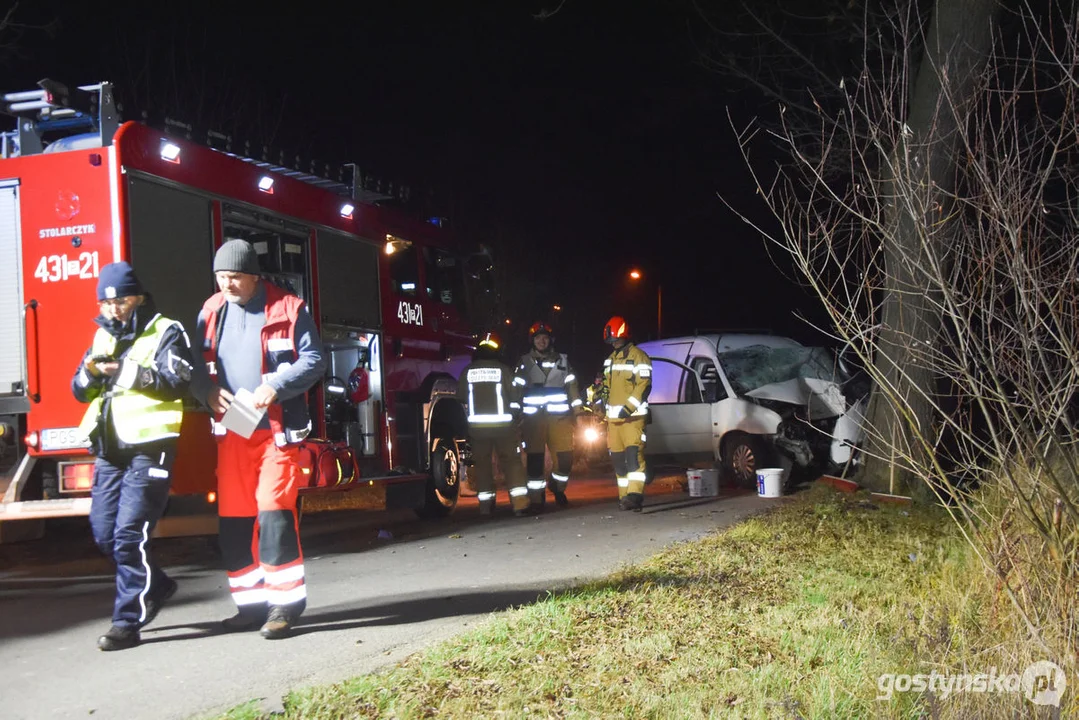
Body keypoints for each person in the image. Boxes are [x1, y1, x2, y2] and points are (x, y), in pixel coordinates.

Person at [190, 239, 327, 639]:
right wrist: (206, 392)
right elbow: (195, 367)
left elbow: (313, 359)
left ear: (254, 276)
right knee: (234, 520)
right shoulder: (211, 311)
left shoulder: (289, 307)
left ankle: (285, 604)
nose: (227, 285)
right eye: (220, 277)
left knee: (273, 512)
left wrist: (277, 386)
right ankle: (250, 606)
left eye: (234, 277)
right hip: (234, 426)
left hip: (277, 431)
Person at [72, 262, 196, 651]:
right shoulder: (101, 336)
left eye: (121, 300)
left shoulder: (166, 330)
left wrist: (124, 371)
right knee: (104, 533)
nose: (114, 309)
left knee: (129, 535)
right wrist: (91, 374)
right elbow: (78, 389)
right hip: (110, 449)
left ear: (138, 297)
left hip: (150, 447)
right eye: (106, 302)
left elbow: (176, 382)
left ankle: (127, 621)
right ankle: (156, 584)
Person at [457, 330, 531, 516]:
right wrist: (516, 415)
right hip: (504, 428)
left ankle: (485, 507)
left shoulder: (467, 371)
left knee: (482, 465)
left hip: (477, 430)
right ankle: (520, 504)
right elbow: (515, 397)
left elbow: (461, 397)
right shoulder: (503, 370)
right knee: (512, 462)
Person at [513, 321, 582, 508]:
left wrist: (578, 413)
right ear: (532, 341)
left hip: (560, 419)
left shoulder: (563, 361)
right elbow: (516, 391)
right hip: (532, 421)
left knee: (566, 459)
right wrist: (514, 415)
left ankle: (557, 487)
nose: (541, 341)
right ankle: (536, 499)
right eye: (538, 338)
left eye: (545, 338)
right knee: (534, 461)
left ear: (551, 340)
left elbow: (573, 389)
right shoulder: (524, 363)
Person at [601, 316, 652, 511]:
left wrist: (628, 408)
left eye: (616, 339)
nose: (614, 343)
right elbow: (606, 387)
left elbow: (644, 385)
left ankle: (635, 496)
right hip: (613, 421)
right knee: (618, 461)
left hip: (633, 419)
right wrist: (599, 403)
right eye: (611, 340)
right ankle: (624, 497)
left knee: (633, 458)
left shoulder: (639, 356)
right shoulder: (610, 360)